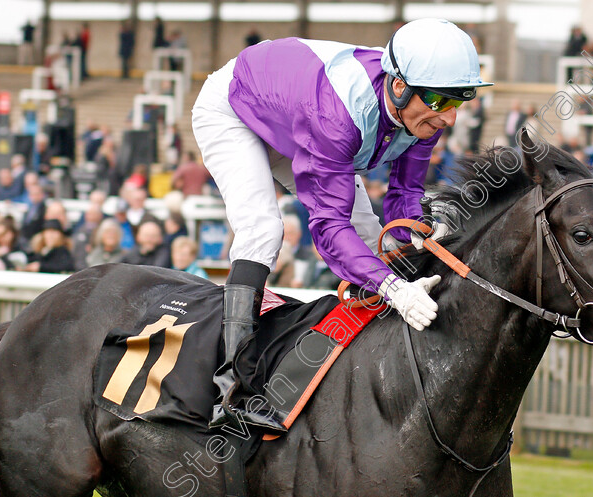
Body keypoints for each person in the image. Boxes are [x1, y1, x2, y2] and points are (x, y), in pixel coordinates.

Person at [191, 18, 491, 430]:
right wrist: (392, 289)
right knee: (264, 230)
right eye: (441, 101)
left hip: (293, 113)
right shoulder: (339, 117)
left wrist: (421, 232)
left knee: (371, 242)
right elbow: (328, 229)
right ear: (399, 86)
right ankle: (228, 387)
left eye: (460, 101)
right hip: (235, 107)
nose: (451, 119)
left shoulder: (424, 112)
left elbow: (403, 197)